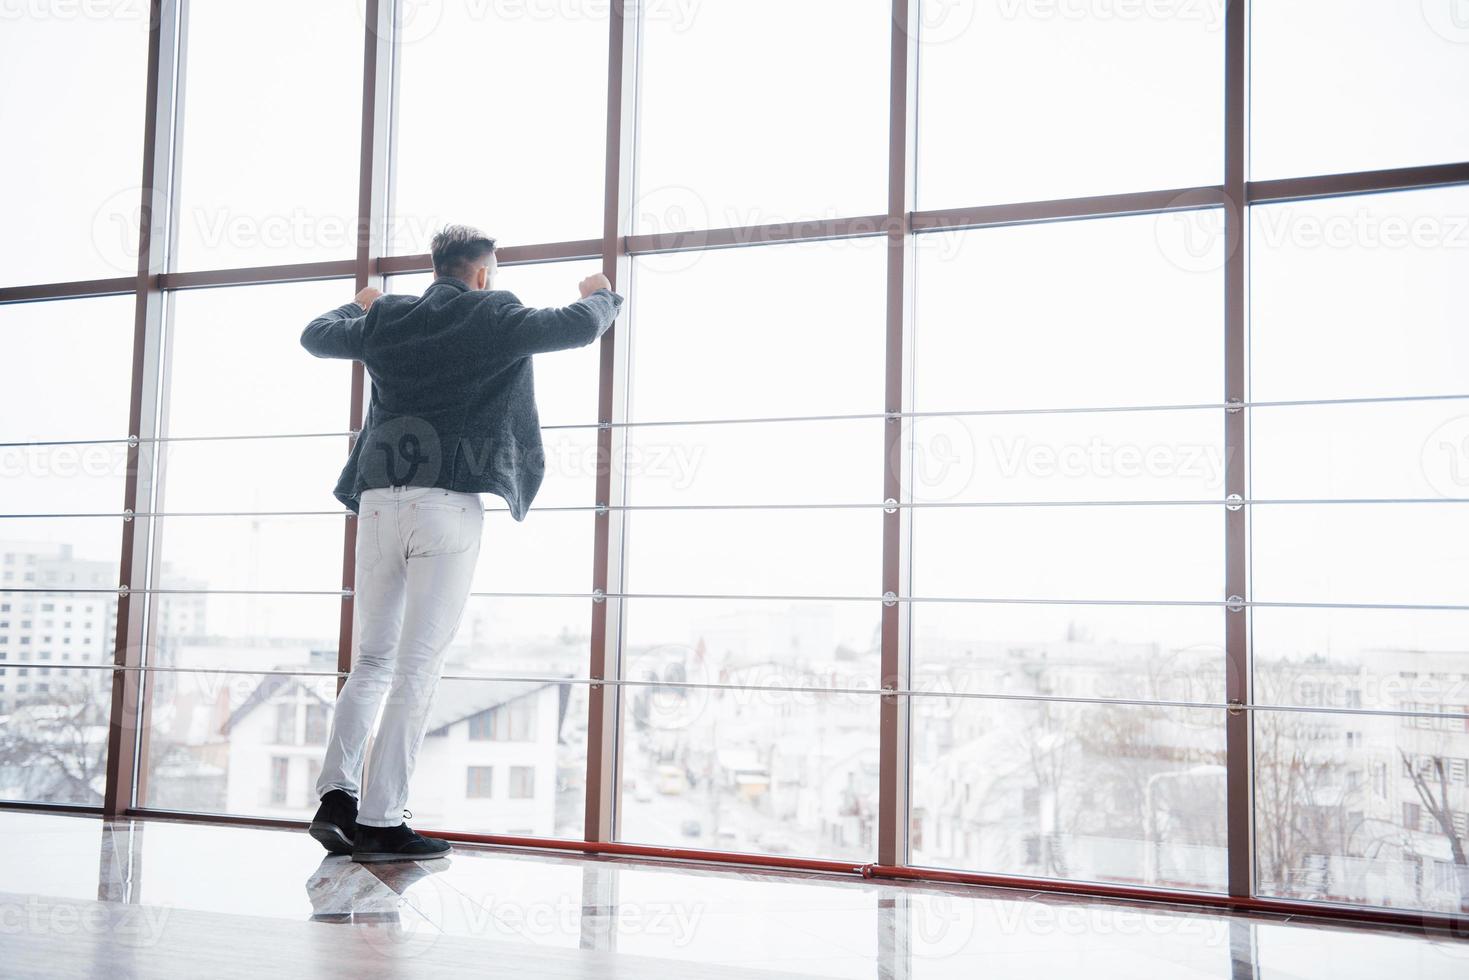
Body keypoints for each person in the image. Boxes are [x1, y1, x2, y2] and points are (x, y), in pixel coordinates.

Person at [299, 225, 623, 862]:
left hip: (377, 500)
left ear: (437, 267)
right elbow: (576, 327)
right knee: (416, 669)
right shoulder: (493, 312)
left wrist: (360, 305)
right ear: (481, 273)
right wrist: (603, 294)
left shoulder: (390, 317)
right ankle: (383, 821)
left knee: (370, 662)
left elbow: (314, 335)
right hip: (446, 503)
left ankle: (335, 797)